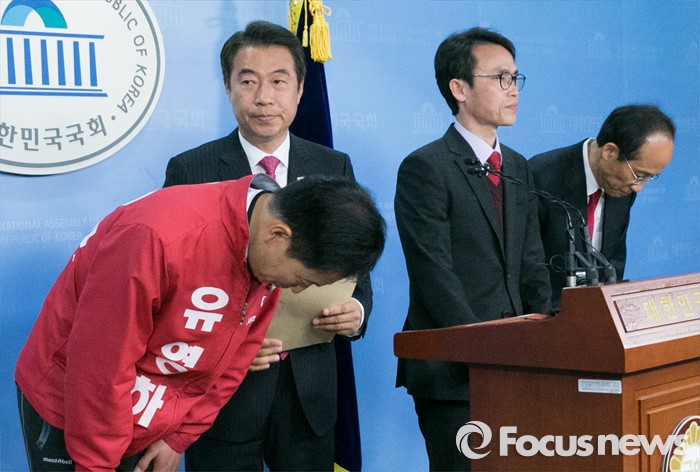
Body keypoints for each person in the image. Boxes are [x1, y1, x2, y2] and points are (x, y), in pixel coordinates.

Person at [15, 174, 385, 472]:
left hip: (148, 418)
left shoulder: (265, 249)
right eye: (303, 279)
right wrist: (97, 465)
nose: (298, 290)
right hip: (73, 411)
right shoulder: (157, 236)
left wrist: (178, 437)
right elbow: (100, 368)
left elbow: (233, 358)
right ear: (278, 235)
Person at [163, 21, 374, 471]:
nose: (264, 98)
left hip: (309, 393)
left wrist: (357, 311)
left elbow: (352, 262)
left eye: (279, 82)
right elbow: (175, 285)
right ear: (228, 87)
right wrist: (227, 344)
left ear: (300, 90)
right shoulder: (190, 169)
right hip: (222, 399)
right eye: (248, 82)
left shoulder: (332, 164)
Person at [394, 27, 552, 471]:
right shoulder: (425, 167)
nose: (513, 90)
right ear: (459, 88)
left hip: (519, 366)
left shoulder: (517, 166)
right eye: (500, 78)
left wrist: (546, 343)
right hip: (455, 371)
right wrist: (483, 352)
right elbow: (434, 275)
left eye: (515, 78)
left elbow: (531, 263)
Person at [530, 104, 675, 311]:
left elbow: (614, 262)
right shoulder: (542, 177)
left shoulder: (622, 185)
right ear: (609, 152)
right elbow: (529, 268)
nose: (639, 187)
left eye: (650, 177)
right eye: (639, 175)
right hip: (548, 314)